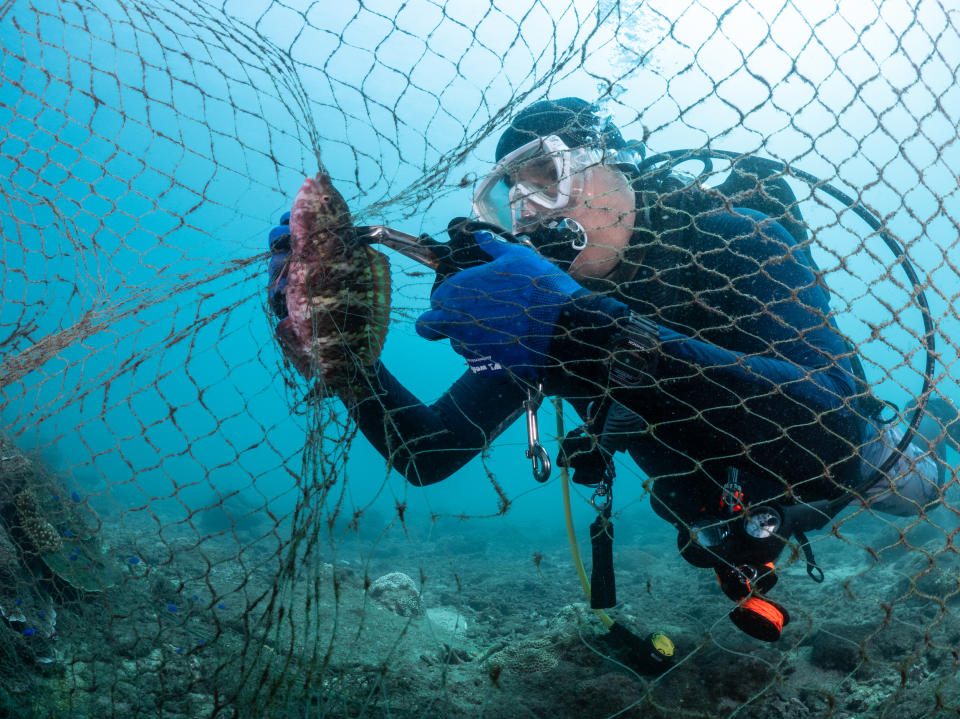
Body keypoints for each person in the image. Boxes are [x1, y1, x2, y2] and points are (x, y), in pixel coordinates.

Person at [267, 97, 948, 642]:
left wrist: (583, 330)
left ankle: (945, 426)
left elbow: (830, 435)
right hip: (720, 508)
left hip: (838, 464)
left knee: (920, 485)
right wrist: (341, 355)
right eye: (510, 199)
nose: (529, 213)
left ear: (617, 168)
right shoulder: (549, 307)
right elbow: (428, 451)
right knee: (714, 539)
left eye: (546, 179)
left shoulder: (735, 240)